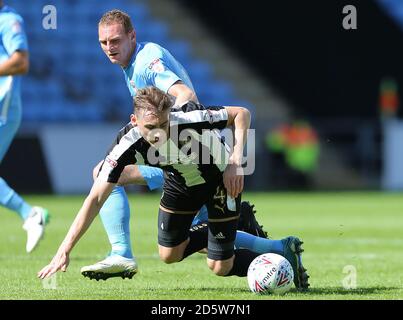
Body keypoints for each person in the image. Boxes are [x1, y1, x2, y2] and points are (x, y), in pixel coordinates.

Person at [38, 87, 309, 290]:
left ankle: (279, 259)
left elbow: (241, 113)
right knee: (169, 255)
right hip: (180, 185)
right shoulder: (124, 145)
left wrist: (236, 161)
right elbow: (96, 198)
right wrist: (64, 250)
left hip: (219, 183)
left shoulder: (189, 118)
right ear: (134, 120)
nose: (159, 134)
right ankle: (238, 225)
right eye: (151, 127)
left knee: (219, 266)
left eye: (164, 124)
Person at [80, 9, 270, 280]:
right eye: (104, 42)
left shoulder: (147, 63)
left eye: (116, 40)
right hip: (187, 157)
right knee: (195, 245)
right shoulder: (133, 62)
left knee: (197, 245)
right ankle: (270, 245)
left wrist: (169, 136)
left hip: (190, 158)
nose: (110, 48)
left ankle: (122, 253)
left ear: (132, 36)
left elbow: (185, 93)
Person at [0, 1, 49, 253]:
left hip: (3, 106)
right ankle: (30, 214)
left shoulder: (8, 21)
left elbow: (20, 62)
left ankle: (29, 213)